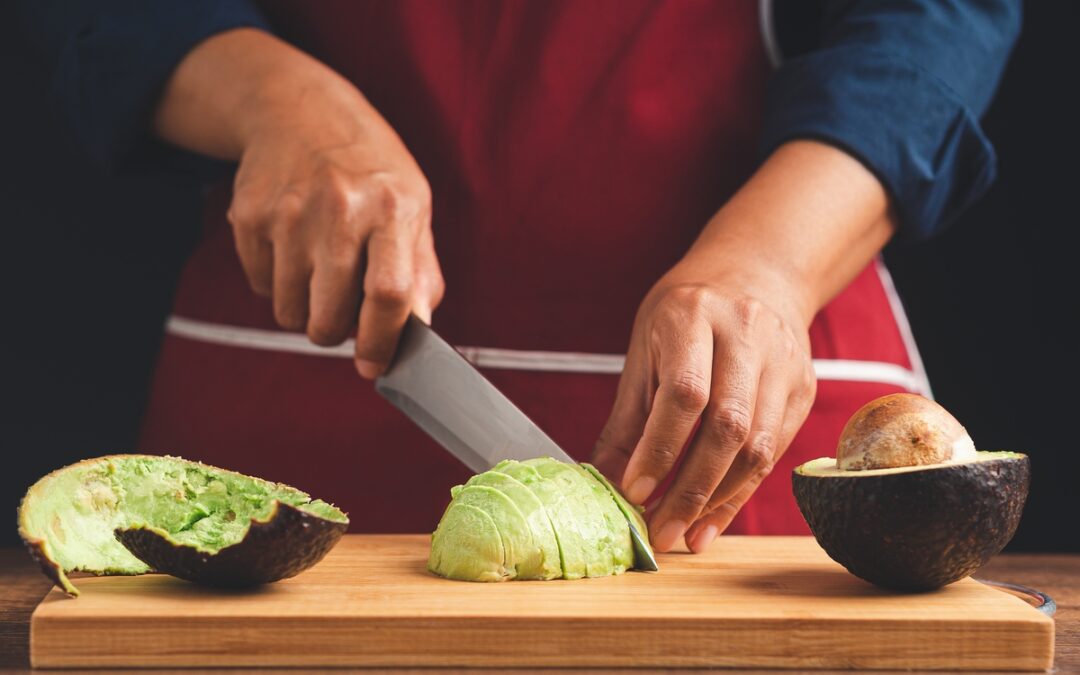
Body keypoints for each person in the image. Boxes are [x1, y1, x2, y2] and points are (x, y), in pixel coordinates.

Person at [17, 0, 1019, 553]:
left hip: (741, 455)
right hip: (290, 396)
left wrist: (770, 258)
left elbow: (934, 16)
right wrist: (273, 99)